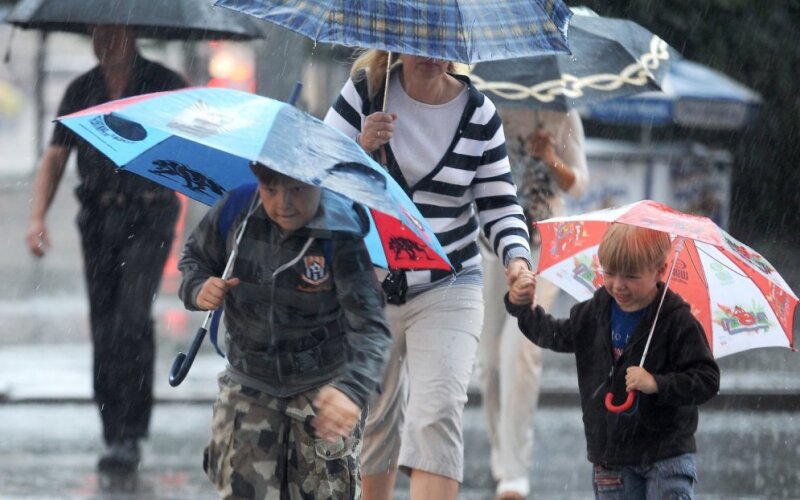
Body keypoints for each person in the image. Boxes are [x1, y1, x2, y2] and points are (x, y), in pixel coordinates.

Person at [324, 51, 533, 500]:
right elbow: (315, 176)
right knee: (375, 420)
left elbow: (499, 203)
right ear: (398, 40)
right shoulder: (365, 92)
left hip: (448, 283)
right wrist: (359, 149)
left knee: (436, 415)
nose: (433, 56)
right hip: (368, 286)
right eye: (423, 44)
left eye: (446, 47)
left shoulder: (479, 113)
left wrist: (516, 257)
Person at [24, 25, 187, 472]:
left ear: (133, 32)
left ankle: (131, 432)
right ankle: (112, 429)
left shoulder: (166, 85)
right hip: (98, 217)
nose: (104, 40)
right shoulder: (83, 88)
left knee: (132, 317)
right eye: (97, 32)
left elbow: (194, 144)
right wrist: (38, 218)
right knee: (104, 321)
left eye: (113, 31)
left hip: (150, 215)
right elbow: (56, 156)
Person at [178, 163, 391, 499]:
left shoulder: (340, 233)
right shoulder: (236, 211)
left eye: (297, 190)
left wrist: (352, 390)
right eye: (271, 189)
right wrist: (198, 288)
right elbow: (195, 258)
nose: (283, 204)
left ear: (318, 184)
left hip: (320, 391)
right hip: (248, 384)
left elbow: (372, 327)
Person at [506, 224, 720, 499]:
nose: (618, 285)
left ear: (659, 270)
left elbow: (707, 379)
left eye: (631, 276)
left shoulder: (676, 321)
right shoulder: (594, 313)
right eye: (609, 272)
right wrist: (521, 307)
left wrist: (658, 383)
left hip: (666, 453)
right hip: (611, 454)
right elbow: (554, 334)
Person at [477, 107, 588, 499]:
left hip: (543, 247)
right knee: (489, 362)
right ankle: (500, 449)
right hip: (492, 247)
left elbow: (579, 185)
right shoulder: (491, 105)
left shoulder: (562, 113)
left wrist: (550, 158)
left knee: (519, 352)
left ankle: (514, 471)